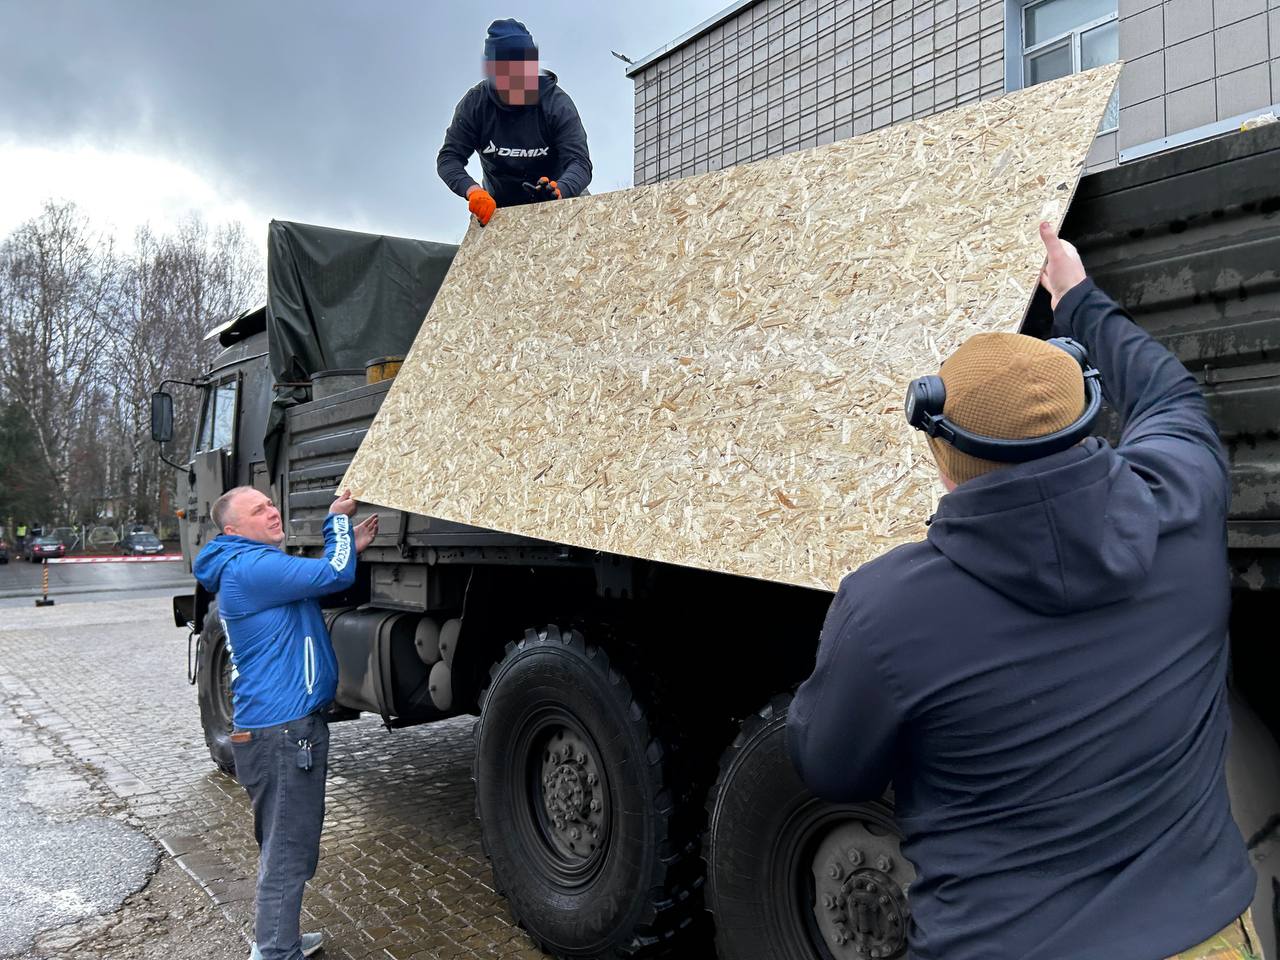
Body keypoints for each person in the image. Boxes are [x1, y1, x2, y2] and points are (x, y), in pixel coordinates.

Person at [788, 224, 1257, 960]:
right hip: (1210, 941)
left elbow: (830, 768)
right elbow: (1169, 391)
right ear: (1087, 418)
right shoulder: (1187, 502)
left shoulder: (884, 611)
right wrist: (1075, 296)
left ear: (945, 464)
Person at [193, 487, 378, 960]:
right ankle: (274, 952)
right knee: (287, 850)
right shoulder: (251, 568)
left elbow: (310, 578)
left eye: (271, 503)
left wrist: (342, 546)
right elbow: (334, 574)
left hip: (274, 730)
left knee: (285, 844)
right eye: (259, 510)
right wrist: (337, 523)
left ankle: (280, 940)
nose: (272, 511)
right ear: (233, 529)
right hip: (283, 733)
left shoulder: (246, 565)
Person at [437, 18, 592, 226]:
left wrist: (559, 191)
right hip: (499, 206)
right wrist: (473, 191)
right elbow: (449, 158)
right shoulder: (476, 105)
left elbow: (580, 162)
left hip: (561, 197)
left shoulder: (557, 104)